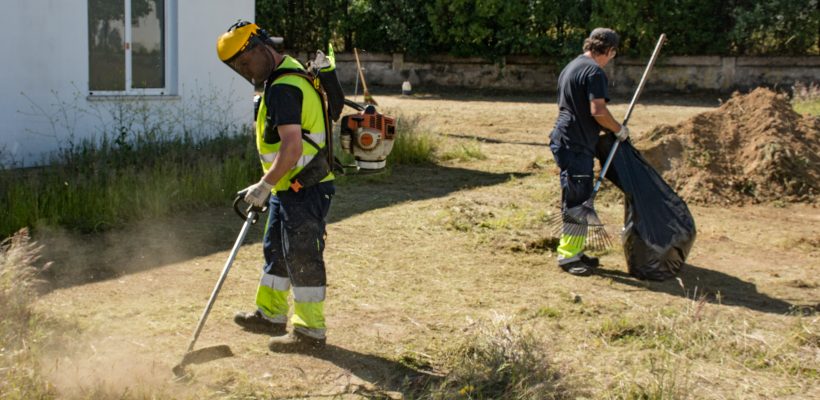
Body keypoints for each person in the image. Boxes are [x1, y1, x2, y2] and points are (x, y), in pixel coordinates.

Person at [216, 21, 335, 350]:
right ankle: (270, 314)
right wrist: (269, 184)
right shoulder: (288, 70)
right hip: (289, 186)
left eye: (244, 63)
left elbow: (292, 147)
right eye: (237, 68)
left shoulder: (283, 87)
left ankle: (311, 331)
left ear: (259, 47)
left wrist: (264, 185)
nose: (245, 71)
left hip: (306, 187)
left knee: (301, 255)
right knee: (276, 251)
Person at [549, 28, 628, 277]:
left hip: (567, 139)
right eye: (613, 55)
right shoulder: (594, 72)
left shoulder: (572, 66)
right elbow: (599, 111)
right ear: (609, 51)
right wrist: (619, 129)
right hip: (575, 144)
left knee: (579, 195)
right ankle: (568, 256)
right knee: (577, 199)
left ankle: (576, 249)